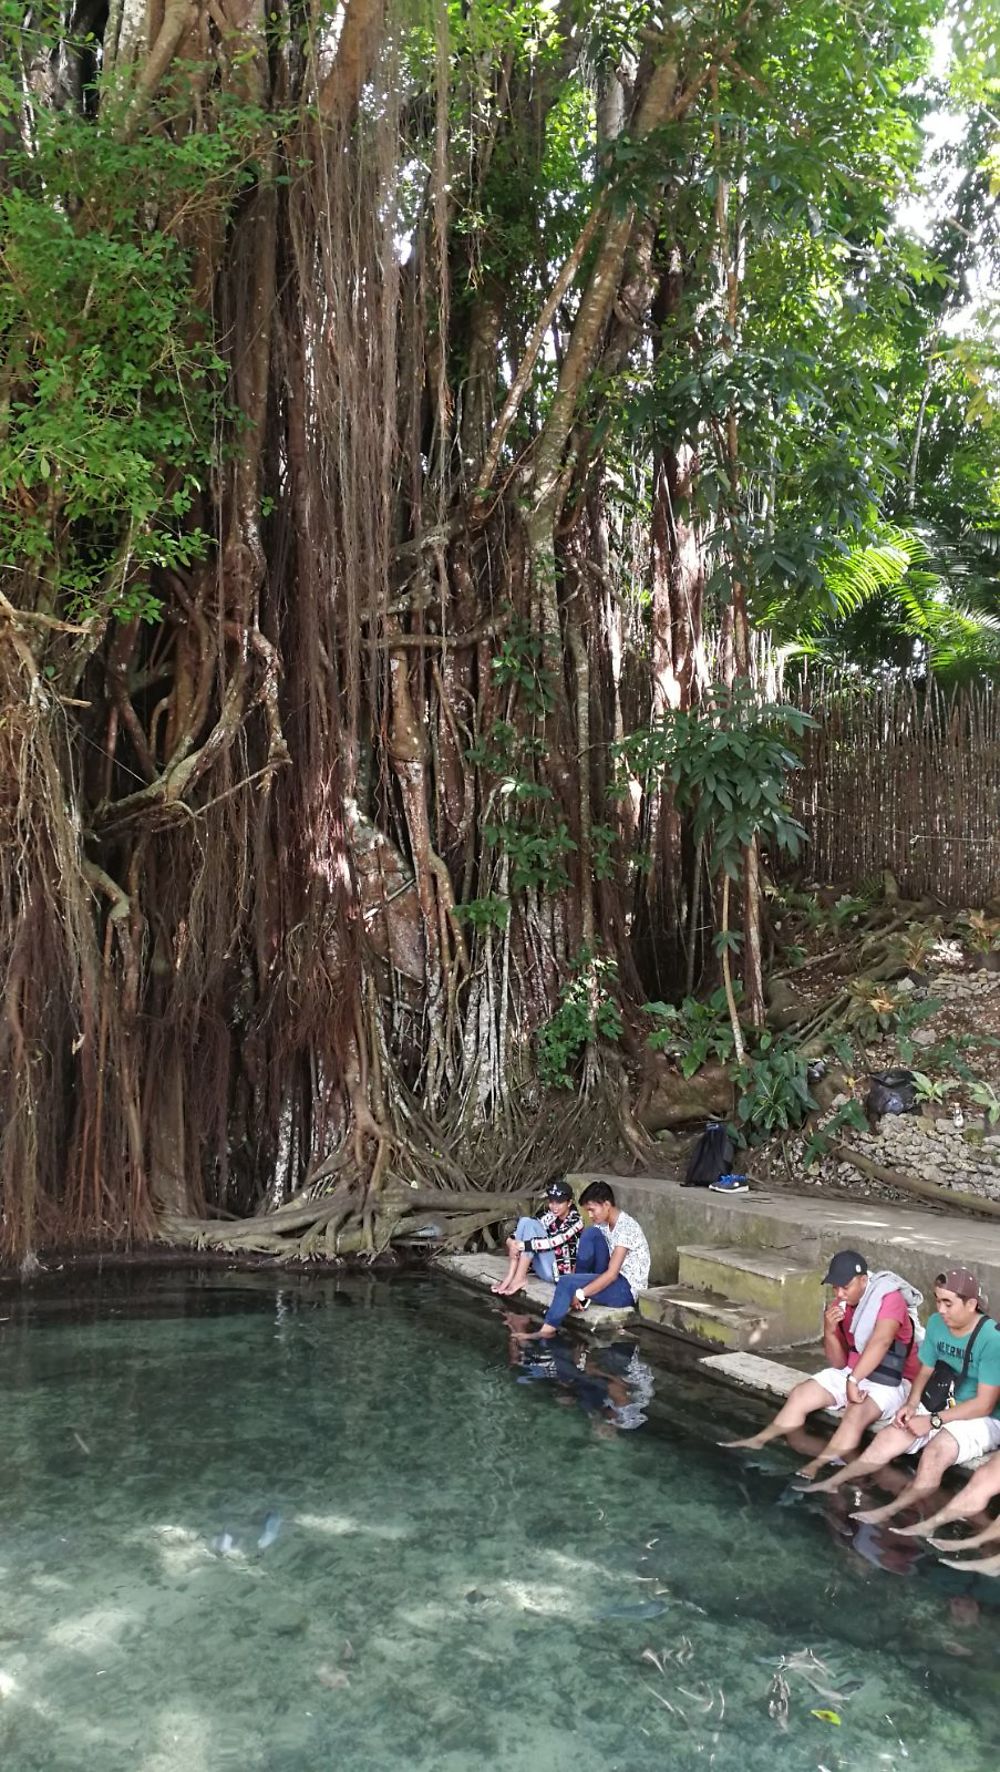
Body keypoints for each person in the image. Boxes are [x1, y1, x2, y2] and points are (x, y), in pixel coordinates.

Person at [801, 1268, 1000, 1526]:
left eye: (948, 1303)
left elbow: (983, 1405)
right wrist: (911, 1404)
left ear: (971, 1304)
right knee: (888, 1437)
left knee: (936, 1453)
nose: (940, 1309)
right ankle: (833, 1482)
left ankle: (899, 1512)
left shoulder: (992, 1340)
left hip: (980, 1416)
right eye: (938, 1300)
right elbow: (925, 1369)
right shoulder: (939, 1325)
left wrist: (932, 1422)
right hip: (941, 1403)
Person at [719, 1250, 922, 1472]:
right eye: (835, 1288)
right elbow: (838, 1362)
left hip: (891, 1380)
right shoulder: (840, 1304)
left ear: (863, 1280)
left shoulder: (889, 1299)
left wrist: (853, 1381)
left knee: (855, 1412)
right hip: (853, 1371)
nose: (840, 1294)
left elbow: (881, 1341)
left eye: (846, 1287)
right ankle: (760, 1439)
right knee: (800, 1394)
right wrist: (830, 1330)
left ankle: (819, 1463)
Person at [516, 1181, 651, 1339]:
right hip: (610, 1277)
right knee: (590, 1234)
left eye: (592, 1210)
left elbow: (612, 1275)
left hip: (625, 1290)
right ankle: (575, 1299)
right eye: (588, 1211)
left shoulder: (627, 1227)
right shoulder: (604, 1225)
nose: (590, 1215)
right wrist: (577, 1281)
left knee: (566, 1283)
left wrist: (580, 1293)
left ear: (606, 1205)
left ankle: (546, 1331)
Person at [491, 1179, 582, 1296]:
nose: (554, 1207)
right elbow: (526, 1228)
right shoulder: (550, 1215)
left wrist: (521, 1245)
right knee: (525, 1221)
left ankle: (519, 1278)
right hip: (541, 1267)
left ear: (569, 1203)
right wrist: (510, 1242)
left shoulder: (576, 1220)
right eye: (552, 1202)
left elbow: (555, 1241)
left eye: (559, 1203)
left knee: (530, 1225)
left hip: (557, 1273)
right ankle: (511, 1275)